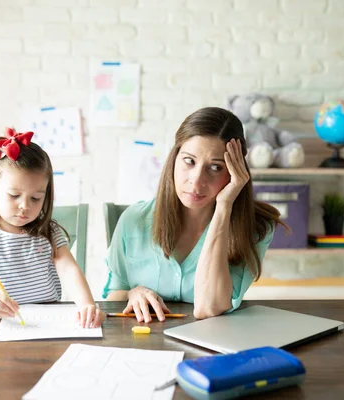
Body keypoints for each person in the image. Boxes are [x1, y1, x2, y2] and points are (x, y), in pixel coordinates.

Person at [103, 107, 285, 322]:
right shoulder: (133, 219)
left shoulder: (256, 228)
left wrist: (224, 205)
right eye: (189, 161)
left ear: (234, 173)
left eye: (216, 167)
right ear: (174, 160)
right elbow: (112, 297)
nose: (197, 180)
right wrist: (133, 293)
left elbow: (209, 308)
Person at [0, 128, 104, 328]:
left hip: (47, 326)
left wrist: (86, 305)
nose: (25, 206)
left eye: (36, 198)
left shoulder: (48, 232)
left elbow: (69, 270)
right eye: (14, 195)